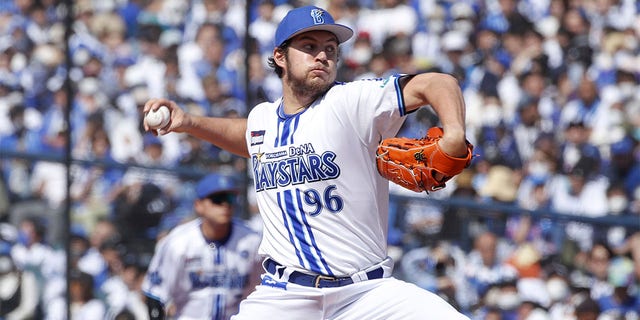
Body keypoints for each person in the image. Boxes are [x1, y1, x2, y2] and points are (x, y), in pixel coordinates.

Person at [143, 5, 471, 319]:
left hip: (367, 294)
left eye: (331, 48)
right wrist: (188, 122)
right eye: (309, 45)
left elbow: (438, 83)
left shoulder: (352, 101)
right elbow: (246, 134)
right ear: (279, 56)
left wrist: (454, 133)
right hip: (284, 296)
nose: (322, 55)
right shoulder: (264, 119)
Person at [141, 173, 262, 320]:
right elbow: (155, 294)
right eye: (217, 199)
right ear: (198, 205)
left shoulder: (252, 240)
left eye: (230, 199)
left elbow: (263, 289)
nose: (225, 205)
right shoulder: (179, 242)